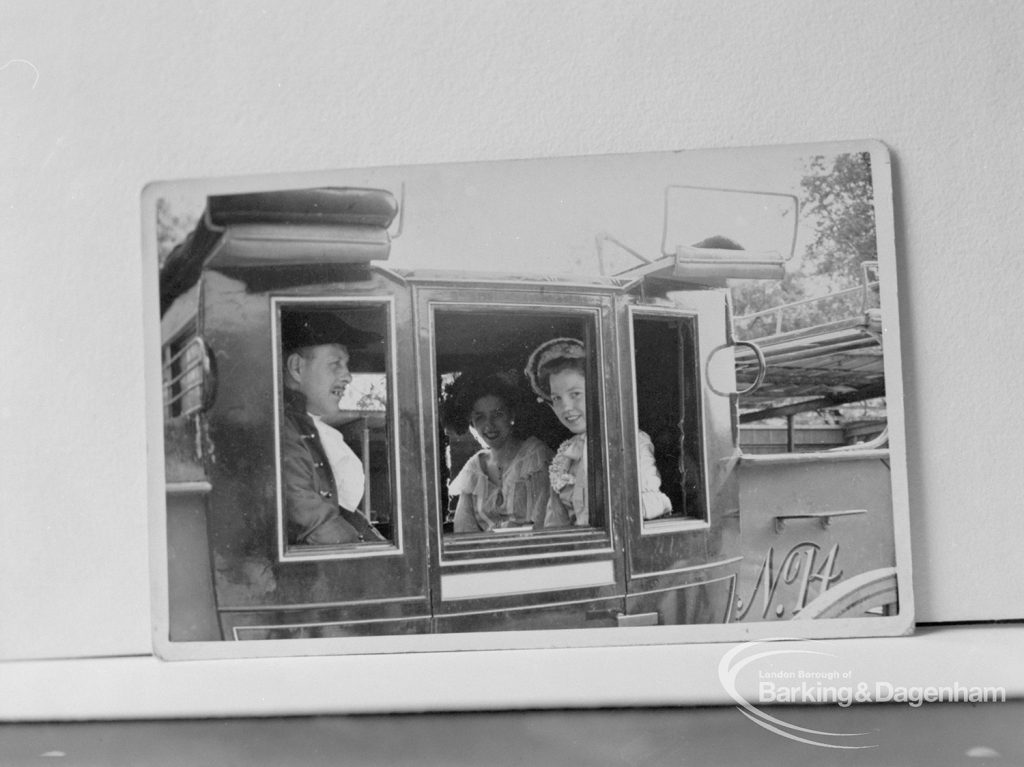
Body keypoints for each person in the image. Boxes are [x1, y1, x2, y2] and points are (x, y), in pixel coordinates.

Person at [524, 338, 673, 528]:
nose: (566, 407)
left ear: (599, 391)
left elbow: (646, 508)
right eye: (557, 398)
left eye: (575, 394)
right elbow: (555, 523)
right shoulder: (565, 455)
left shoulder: (630, 442)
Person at [280, 310, 384, 546]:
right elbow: (316, 526)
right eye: (336, 364)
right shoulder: (283, 429)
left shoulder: (301, 425)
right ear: (296, 368)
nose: (347, 377)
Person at [442, 372, 554, 533]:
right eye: (480, 417)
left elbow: (544, 525)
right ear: (471, 421)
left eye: (497, 414)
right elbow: (463, 532)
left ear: (512, 414)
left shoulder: (536, 457)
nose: (489, 425)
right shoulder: (475, 467)